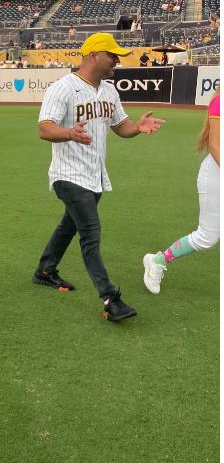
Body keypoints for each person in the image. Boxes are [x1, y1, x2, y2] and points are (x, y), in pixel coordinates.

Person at [33, 33, 165, 321]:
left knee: (69, 226)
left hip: (95, 175)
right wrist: (69, 133)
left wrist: (138, 127)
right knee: (90, 234)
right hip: (67, 175)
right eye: (112, 54)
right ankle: (111, 298)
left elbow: (122, 126)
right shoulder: (63, 88)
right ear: (93, 55)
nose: (117, 60)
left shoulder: (109, 91)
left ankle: (45, 270)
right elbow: (44, 128)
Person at [142, 91, 219, 293]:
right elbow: (215, 145)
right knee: (206, 237)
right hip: (216, 177)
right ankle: (157, 260)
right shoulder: (220, 101)